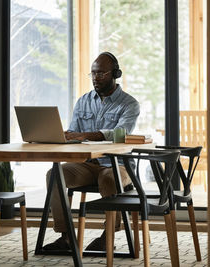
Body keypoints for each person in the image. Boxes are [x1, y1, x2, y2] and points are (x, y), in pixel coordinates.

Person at [43, 52, 140, 251]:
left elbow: (119, 133)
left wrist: (84, 135)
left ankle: (108, 236)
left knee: (108, 180)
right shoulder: (83, 101)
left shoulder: (129, 104)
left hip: (117, 165)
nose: (96, 78)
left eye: (101, 73)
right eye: (93, 73)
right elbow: (74, 133)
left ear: (115, 74)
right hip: (87, 164)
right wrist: (63, 136)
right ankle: (67, 236)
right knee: (55, 175)